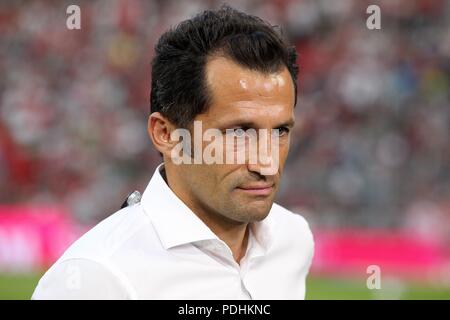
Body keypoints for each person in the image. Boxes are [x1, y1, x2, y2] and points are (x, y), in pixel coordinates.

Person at [32, 5, 314, 300]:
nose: (267, 163)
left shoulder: (292, 239)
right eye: (239, 133)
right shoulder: (95, 278)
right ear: (166, 135)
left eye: (280, 131)